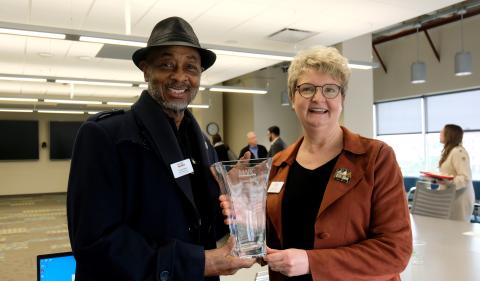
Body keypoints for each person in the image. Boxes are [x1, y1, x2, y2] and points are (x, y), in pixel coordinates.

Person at [67, 16, 254, 281]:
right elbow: (94, 242)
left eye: (191, 67)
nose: (180, 76)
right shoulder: (107, 136)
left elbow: (200, 227)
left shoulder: (201, 143)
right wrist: (198, 263)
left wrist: (227, 192)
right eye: (167, 65)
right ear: (146, 70)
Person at [263, 46, 412, 280]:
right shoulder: (277, 165)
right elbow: (271, 242)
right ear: (293, 97)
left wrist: (312, 262)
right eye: (307, 88)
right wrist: (242, 210)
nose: (318, 98)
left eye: (330, 89)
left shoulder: (376, 158)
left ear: (342, 98)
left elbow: (395, 251)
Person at [438, 124, 475, 221]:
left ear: (449, 135)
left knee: (458, 231)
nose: (440, 133)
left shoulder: (458, 152)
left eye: (442, 132)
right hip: (451, 197)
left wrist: (447, 180)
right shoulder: (449, 151)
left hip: (460, 198)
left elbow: (465, 177)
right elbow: (449, 174)